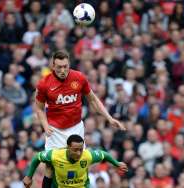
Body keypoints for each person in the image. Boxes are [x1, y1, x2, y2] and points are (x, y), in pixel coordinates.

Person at [35, 51, 125, 187]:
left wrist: (109, 118)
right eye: (59, 67)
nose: (62, 70)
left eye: (65, 66)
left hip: (75, 128)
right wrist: (45, 125)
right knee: (50, 166)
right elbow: (39, 108)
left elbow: (93, 100)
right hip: (55, 130)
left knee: (80, 163)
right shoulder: (44, 84)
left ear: (69, 64)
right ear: (53, 66)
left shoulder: (79, 78)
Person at [23, 134, 128, 188]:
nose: (79, 153)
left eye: (81, 150)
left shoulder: (87, 155)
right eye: (75, 150)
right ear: (68, 147)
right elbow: (37, 157)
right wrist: (29, 176)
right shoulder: (55, 155)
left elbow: (103, 154)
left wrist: (116, 163)